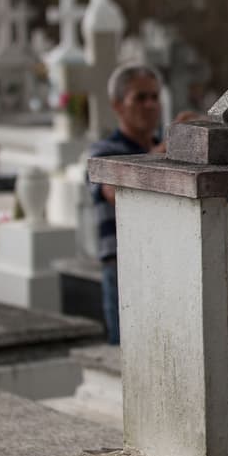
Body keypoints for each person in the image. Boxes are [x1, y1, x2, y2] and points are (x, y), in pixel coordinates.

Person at [88, 64, 164, 345]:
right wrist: (163, 154)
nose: (150, 105)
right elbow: (115, 191)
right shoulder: (104, 151)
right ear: (117, 105)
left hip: (163, 266)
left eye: (154, 97)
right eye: (140, 98)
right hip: (124, 270)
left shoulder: (165, 147)